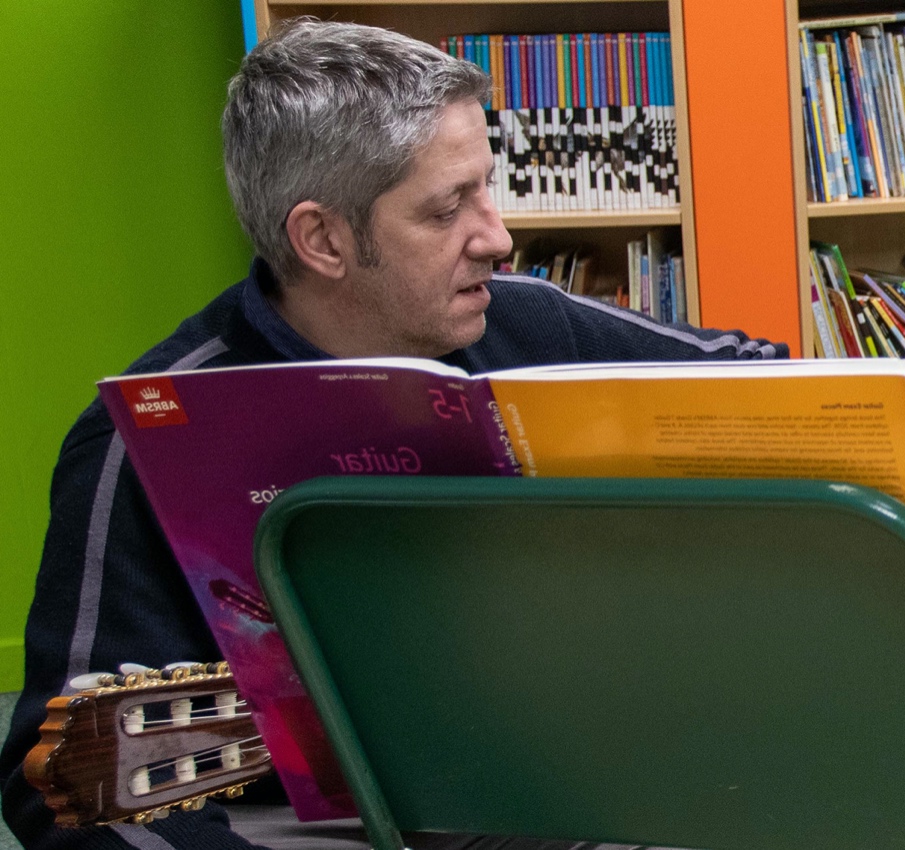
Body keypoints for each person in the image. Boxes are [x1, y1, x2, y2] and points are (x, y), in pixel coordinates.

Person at [1, 19, 782, 850]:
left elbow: (770, 381)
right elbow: (66, 797)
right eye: (450, 208)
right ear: (324, 239)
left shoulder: (531, 323)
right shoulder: (142, 439)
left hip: (594, 788)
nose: (499, 236)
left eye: (488, 186)